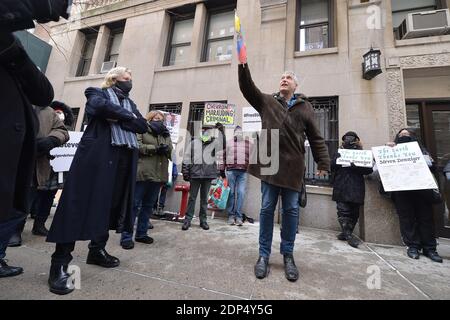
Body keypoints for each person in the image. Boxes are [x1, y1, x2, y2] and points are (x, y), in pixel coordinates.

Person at [46, 67, 148, 294]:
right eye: (126, 78)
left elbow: (142, 125)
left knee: (110, 207)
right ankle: (60, 264)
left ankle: (97, 250)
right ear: (113, 79)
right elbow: (98, 107)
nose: (129, 82)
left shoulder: (130, 104)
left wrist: (122, 116)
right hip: (96, 158)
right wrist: (128, 118)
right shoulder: (96, 92)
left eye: (131, 78)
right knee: (78, 206)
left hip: (122, 160)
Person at [238, 63, 330, 282]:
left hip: (293, 170)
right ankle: (263, 255)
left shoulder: (305, 107)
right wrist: (243, 66)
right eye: (282, 77)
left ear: (295, 84)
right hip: (270, 168)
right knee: (267, 210)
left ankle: (288, 255)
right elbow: (247, 87)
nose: (284, 79)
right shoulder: (267, 101)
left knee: (291, 212)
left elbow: (316, 137)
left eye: (289, 77)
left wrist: (323, 163)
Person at [0, 32, 55, 278]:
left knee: (17, 205)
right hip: (11, 156)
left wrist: (51, 140)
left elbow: (44, 93)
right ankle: (13, 236)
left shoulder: (48, 109)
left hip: (31, 162)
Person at [385, 128, 443, 263]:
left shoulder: (422, 150)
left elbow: (432, 166)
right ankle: (413, 246)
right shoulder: (391, 150)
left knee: (425, 219)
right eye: (401, 135)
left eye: (407, 134)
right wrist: (387, 151)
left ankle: (430, 248)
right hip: (402, 191)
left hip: (422, 190)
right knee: (407, 219)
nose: (403, 136)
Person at [120, 110, 173, 250]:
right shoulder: (142, 129)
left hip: (158, 174)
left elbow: (170, 151)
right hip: (142, 173)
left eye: (161, 119)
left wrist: (166, 148)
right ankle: (126, 236)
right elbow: (137, 146)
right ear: (150, 119)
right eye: (156, 118)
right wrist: (155, 148)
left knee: (148, 206)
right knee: (134, 205)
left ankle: (141, 234)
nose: (159, 120)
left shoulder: (165, 133)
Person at [31, 102, 73, 236]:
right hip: (42, 165)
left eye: (62, 113)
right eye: (57, 112)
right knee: (34, 195)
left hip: (57, 171)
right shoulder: (43, 119)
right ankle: (18, 228)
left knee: (49, 197)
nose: (59, 115)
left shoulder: (66, 130)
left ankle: (40, 224)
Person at [331, 131, 373, 248]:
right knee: (343, 210)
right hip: (341, 185)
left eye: (351, 137)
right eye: (346, 138)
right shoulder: (339, 151)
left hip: (356, 186)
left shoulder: (362, 153)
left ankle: (345, 233)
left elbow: (369, 170)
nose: (348, 139)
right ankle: (349, 235)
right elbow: (331, 166)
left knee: (354, 212)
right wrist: (336, 161)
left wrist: (357, 167)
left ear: (356, 139)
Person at [181, 123, 226, 231]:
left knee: (204, 199)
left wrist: (221, 132)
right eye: (204, 129)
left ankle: (203, 220)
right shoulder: (193, 142)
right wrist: (185, 172)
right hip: (195, 174)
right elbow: (187, 157)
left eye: (208, 130)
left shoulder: (215, 143)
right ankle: (187, 220)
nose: (206, 131)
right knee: (192, 198)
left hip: (208, 174)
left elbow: (223, 145)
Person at [222, 125, 251, 226]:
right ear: (234, 133)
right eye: (237, 131)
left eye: (240, 131)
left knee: (241, 193)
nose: (238, 133)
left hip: (243, 172)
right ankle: (231, 216)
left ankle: (238, 217)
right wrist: (222, 172)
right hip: (231, 171)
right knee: (231, 193)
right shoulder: (229, 143)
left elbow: (253, 156)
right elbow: (223, 156)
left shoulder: (248, 144)